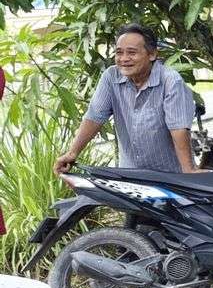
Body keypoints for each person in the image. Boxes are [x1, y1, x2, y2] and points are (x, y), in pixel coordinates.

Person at [55, 24, 199, 175]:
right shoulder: (111, 77)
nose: (124, 59)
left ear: (152, 54)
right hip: (130, 177)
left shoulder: (171, 81)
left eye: (131, 52)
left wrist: (188, 170)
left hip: (170, 176)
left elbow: (178, 128)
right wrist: (72, 153)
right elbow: (94, 117)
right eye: (119, 52)